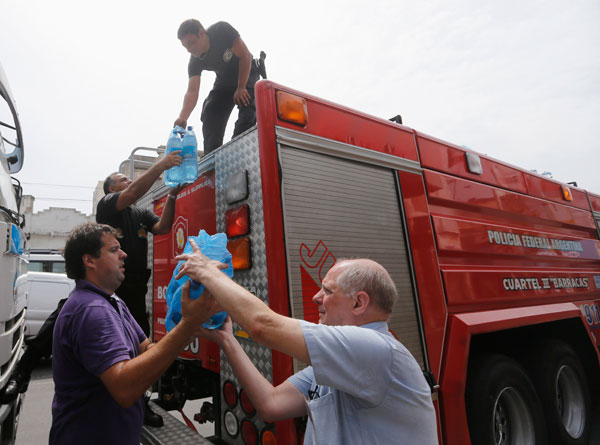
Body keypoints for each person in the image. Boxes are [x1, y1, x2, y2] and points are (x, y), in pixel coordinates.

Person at [176, 244, 439, 444]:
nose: (316, 297)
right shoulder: (341, 363)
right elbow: (271, 404)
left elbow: (262, 325)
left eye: (327, 290)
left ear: (359, 303)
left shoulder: (376, 348)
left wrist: (208, 272)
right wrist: (226, 339)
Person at [50, 223, 215, 445]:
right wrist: (187, 326)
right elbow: (124, 388)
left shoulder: (113, 301)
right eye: (113, 249)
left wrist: (184, 323)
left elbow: (146, 348)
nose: (124, 254)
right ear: (89, 261)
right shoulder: (92, 310)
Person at [96, 150, 183, 426]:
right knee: (115, 346)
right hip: (112, 287)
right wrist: (162, 165)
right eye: (123, 178)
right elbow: (132, 193)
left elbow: (165, 226)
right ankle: (110, 399)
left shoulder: (141, 213)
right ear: (112, 188)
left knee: (139, 344)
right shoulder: (108, 204)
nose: (129, 180)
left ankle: (140, 404)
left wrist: (171, 195)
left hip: (135, 289)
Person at [174, 19, 262, 154]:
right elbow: (192, 91)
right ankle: (212, 156)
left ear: (202, 33)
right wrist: (183, 117)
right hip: (224, 81)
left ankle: (238, 148)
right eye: (186, 46)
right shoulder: (195, 61)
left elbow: (245, 55)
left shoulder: (221, 31)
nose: (189, 49)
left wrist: (241, 87)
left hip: (246, 72)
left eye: (191, 43)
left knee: (246, 104)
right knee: (211, 109)